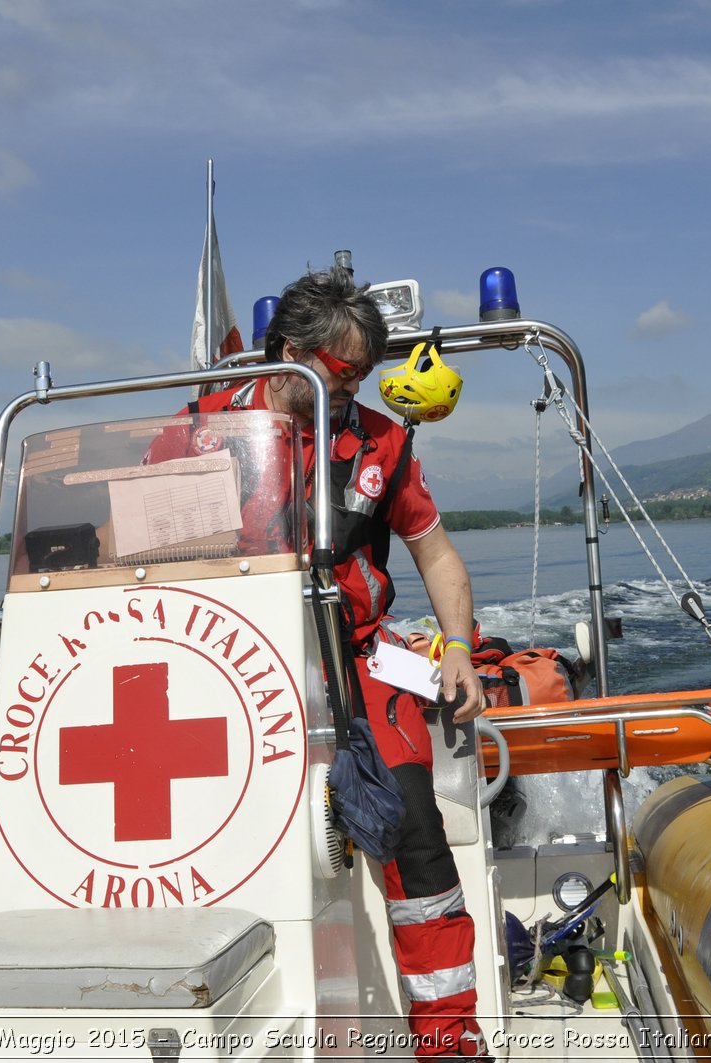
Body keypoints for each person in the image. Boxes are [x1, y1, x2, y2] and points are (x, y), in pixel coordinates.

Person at [154, 269, 489, 1061]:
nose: (356, 385)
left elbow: (436, 553)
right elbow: (131, 544)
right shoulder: (199, 430)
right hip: (225, 656)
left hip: (352, 658)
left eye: (365, 372)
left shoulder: (382, 443)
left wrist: (463, 650)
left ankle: (449, 1037)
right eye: (344, 371)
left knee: (414, 828)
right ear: (289, 353)